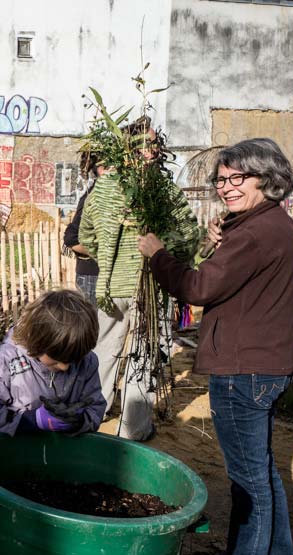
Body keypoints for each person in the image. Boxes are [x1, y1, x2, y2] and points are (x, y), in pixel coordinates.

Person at [138, 138, 293, 555]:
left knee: (249, 481)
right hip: (266, 366)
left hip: (243, 369)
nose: (227, 187)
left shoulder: (252, 235)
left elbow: (196, 288)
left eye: (238, 178)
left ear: (266, 179)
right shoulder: (271, 225)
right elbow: (235, 279)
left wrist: (157, 254)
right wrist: (221, 238)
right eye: (222, 180)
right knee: (264, 473)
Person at [78, 118, 200, 440]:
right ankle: (134, 427)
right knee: (139, 355)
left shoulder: (103, 187)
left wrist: (106, 258)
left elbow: (85, 235)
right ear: (128, 149)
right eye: (146, 144)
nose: (154, 149)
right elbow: (188, 235)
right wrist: (170, 258)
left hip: (113, 287)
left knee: (107, 349)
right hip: (146, 286)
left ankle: (97, 411)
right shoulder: (162, 189)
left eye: (154, 142)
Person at [0, 289, 106, 436]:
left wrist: (78, 422)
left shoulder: (87, 362)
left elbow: (95, 406)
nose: (65, 367)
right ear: (37, 342)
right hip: (9, 451)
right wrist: (32, 420)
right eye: (57, 360)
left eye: (73, 359)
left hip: (61, 452)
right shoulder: (0, 364)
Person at [63, 152, 103, 305]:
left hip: (97, 276)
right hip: (92, 277)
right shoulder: (93, 197)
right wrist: (102, 254)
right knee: (94, 327)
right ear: (101, 169)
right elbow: (71, 238)